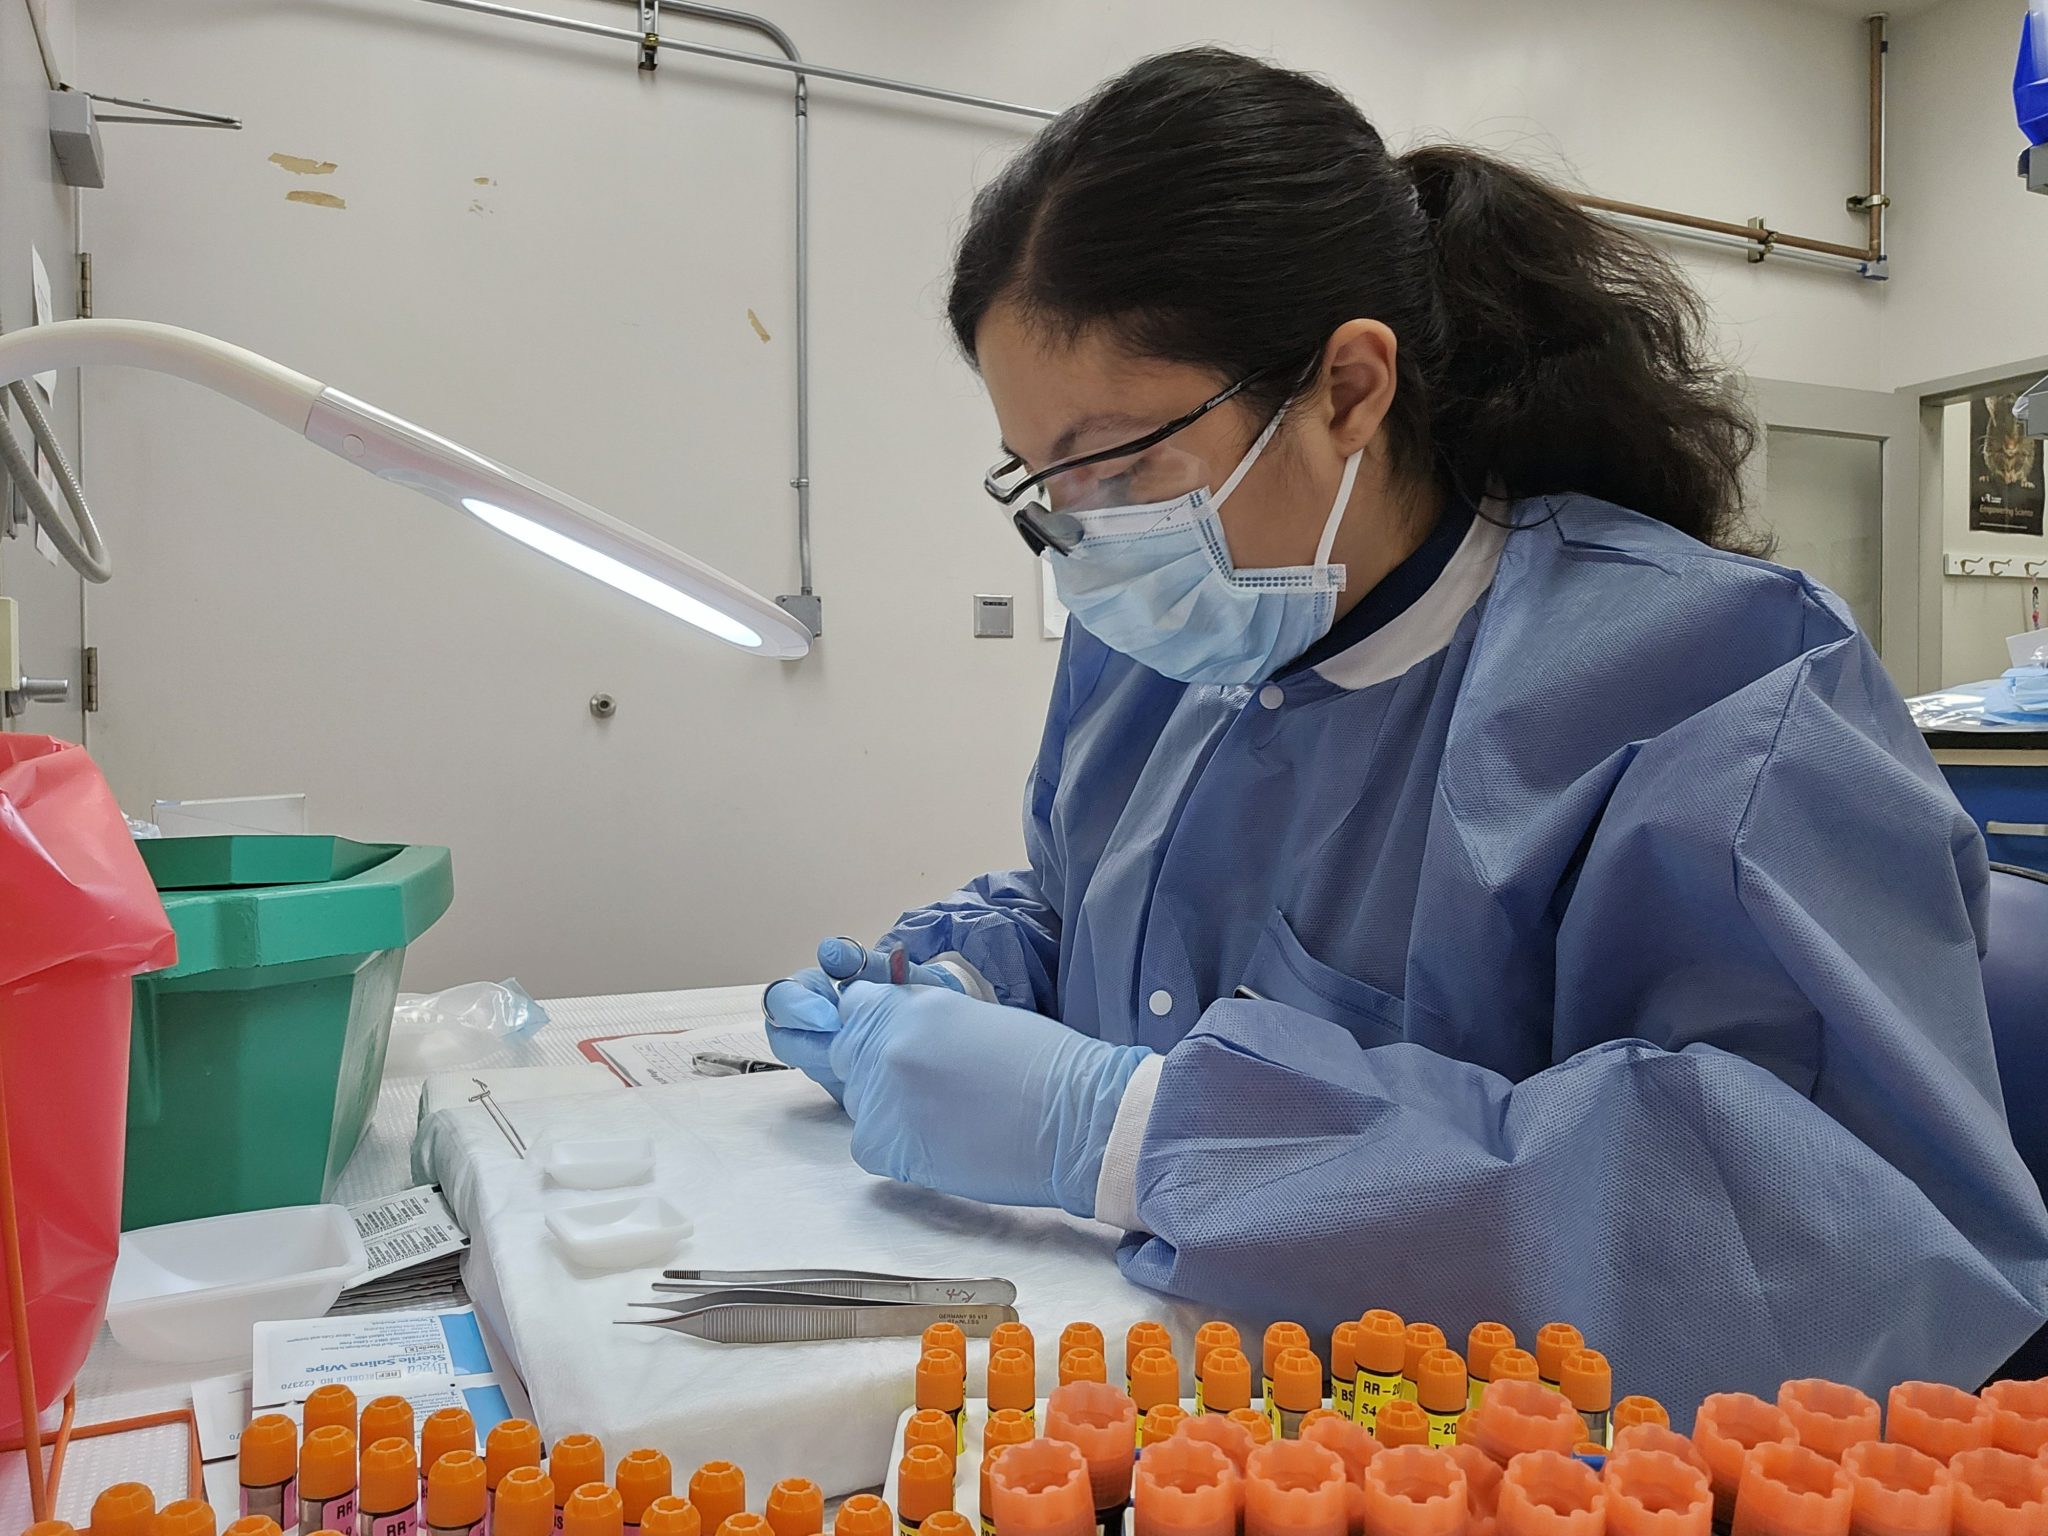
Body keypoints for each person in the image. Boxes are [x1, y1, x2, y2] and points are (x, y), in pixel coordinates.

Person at [765, 46, 2048, 1408]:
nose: (1087, 537)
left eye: (1123, 460)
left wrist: (1138, 1131)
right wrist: (977, 984)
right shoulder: (1151, 659)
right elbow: (1115, 919)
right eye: (1046, 478)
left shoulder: (1721, 681)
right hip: (1191, 1401)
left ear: (1348, 391)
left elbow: (1826, 1242)